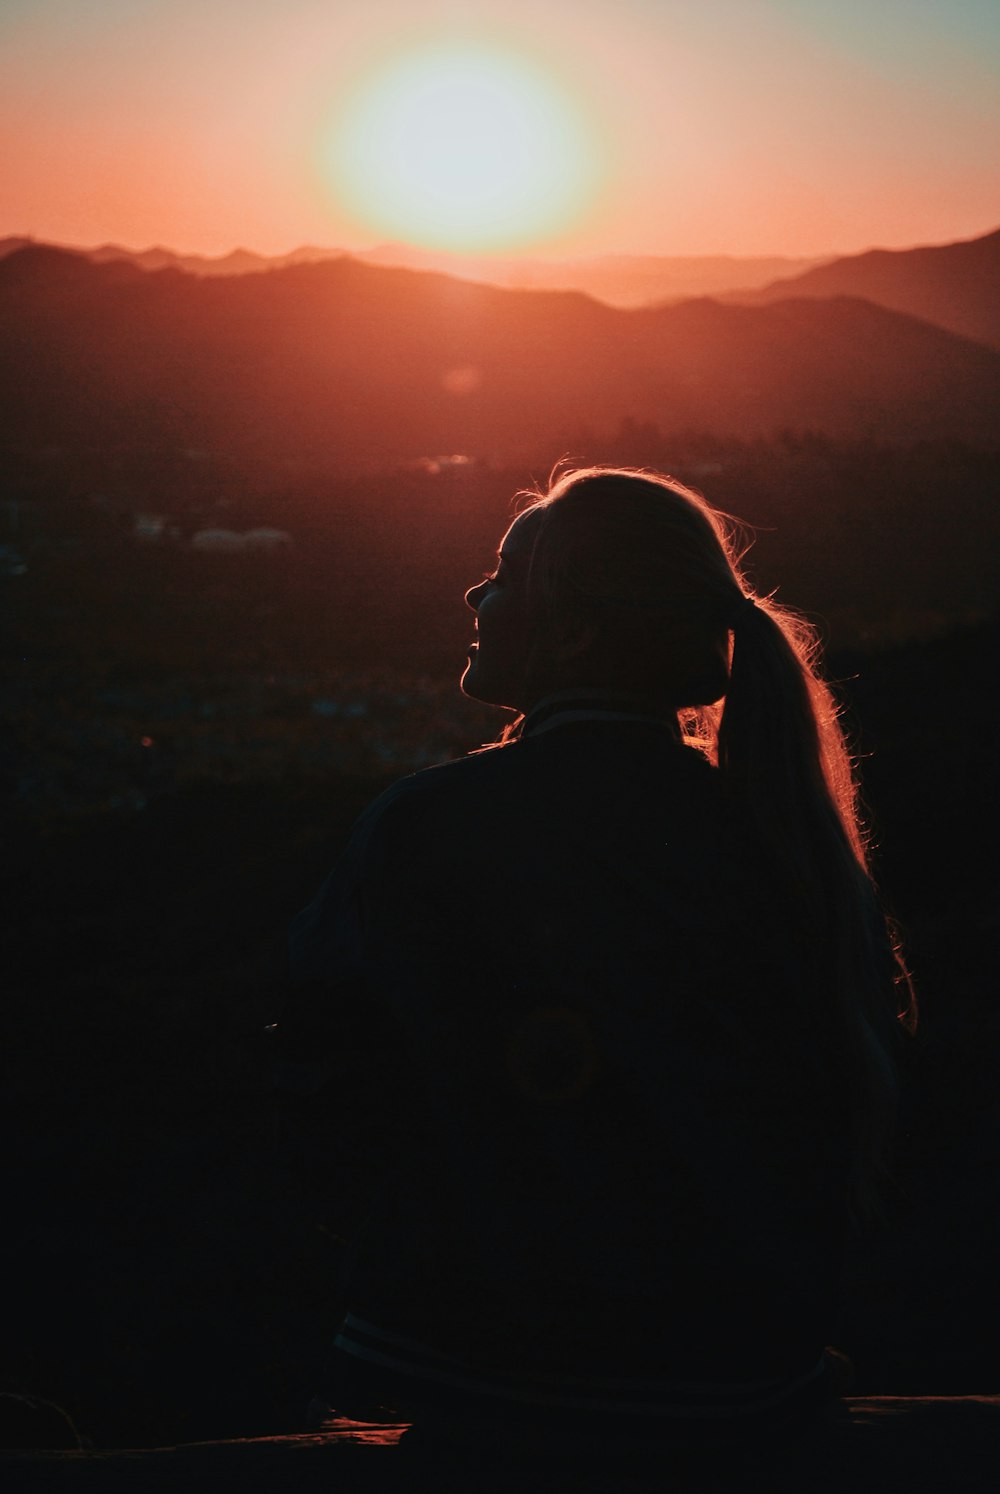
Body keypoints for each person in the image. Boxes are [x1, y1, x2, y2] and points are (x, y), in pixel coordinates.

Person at [275, 465, 915, 1445]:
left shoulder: (432, 826)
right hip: (743, 1380)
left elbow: (320, 1079)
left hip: (484, 1378)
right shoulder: (789, 847)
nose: (474, 598)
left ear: (572, 633)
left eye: (503, 577)